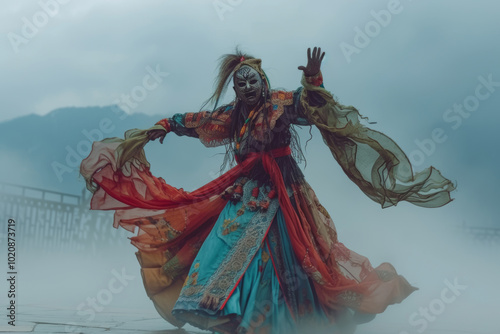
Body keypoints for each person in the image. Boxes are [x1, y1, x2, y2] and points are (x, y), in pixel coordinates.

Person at [80, 47, 455, 333]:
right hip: (245, 190)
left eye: (251, 81)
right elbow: (199, 122)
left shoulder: (282, 104)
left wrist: (313, 80)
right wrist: (164, 126)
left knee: (295, 253)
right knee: (223, 244)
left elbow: (311, 108)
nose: (245, 87)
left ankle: (281, 316)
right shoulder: (233, 115)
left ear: (263, 81)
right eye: (239, 83)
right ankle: (223, 311)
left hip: (283, 190)